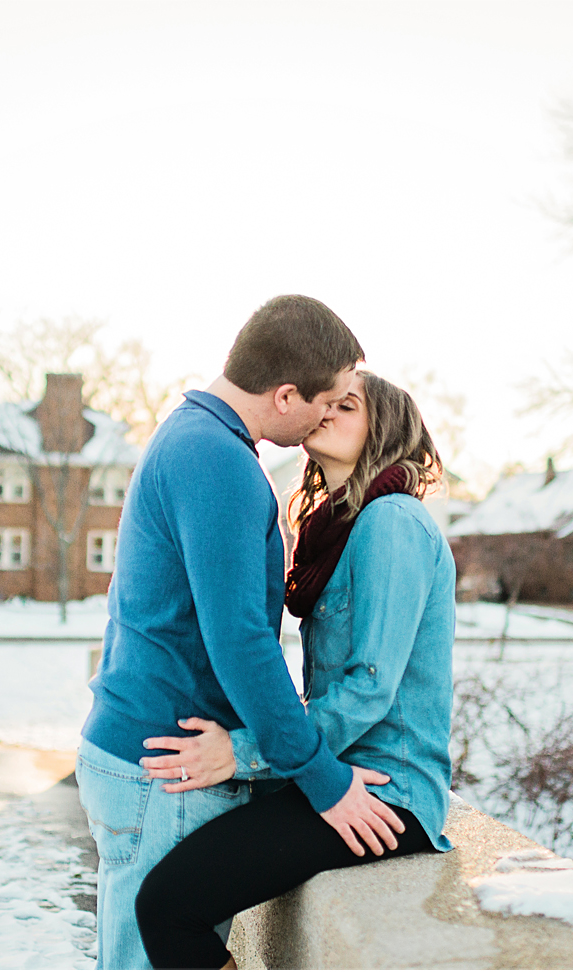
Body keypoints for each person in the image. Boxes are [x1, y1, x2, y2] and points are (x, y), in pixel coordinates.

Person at [78, 295, 406, 971]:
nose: (327, 415)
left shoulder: (193, 438)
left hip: (150, 753)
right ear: (286, 395)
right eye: (328, 400)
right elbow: (242, 644)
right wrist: (323, 779)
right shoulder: (219, 464)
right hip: (168, 766)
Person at [132, 371, 456, 970]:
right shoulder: (338, 531)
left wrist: (245, 751)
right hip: (339, 775)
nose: (327, 411)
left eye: (347, 406)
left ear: (382, 430)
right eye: (326, 402)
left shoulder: (392, 523)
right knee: (170, 898)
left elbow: (369, 688)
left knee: (167, 905)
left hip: (388, 791)